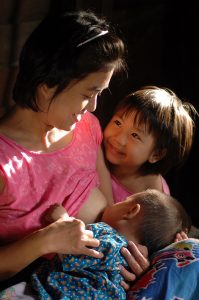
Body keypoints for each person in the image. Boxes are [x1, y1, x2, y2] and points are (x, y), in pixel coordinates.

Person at [0, 10, 149, 289]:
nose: (93, 107)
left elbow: (109, 208)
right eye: (86, 94)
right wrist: (47, 240)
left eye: (99, 94)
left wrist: (128, 250)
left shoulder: (86, 128)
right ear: (47, 86)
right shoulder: (4, 162)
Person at [30, 189, 191, 299]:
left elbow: (72, 244)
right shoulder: (135, 268)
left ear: (130, 211)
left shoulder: (108, 239)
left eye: (123, 200)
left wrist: (62, 219)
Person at [103, 85, 197, 204]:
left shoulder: (153, 197)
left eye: (135, 135)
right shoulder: (95, 148)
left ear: (156, 154)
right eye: (118, 122)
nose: (119, 139)